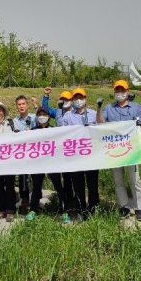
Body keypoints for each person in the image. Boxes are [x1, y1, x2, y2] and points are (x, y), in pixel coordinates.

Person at [96, 80, 141, 222]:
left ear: (128, 91)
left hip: (131, 149)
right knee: (118, 181)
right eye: (117, 91)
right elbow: (100, 123)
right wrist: (98, 108)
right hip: (114, 150)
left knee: (135, 181)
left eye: (122, 90)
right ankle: (124, 206)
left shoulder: (135, 107)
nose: (120, 93)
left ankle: (139, 208)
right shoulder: (109, 108)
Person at [62, 88, 99, 220]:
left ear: (85, 98)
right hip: (75, 156)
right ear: (72, 100)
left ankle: (93, 209)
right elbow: (63, 133)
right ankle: (80, 210)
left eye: (81, 97)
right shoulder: (68, 116)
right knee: (78, 185)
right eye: (76, 98)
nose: (79, 100)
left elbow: (101, 131)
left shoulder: (94, 114)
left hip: (91, 155)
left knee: (92, 184)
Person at [28, 107, 69, 220]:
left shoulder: (54, 130)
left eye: (44, 114)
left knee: (58, 186)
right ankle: (33, 210)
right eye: (39, 114)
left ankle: (64, 211)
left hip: (52, 163)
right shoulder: (32, 131)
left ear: (49, 116)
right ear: (37, 117)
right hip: (38, 164)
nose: (42, 116)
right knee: (36, 187)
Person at [12, 95, 37, 209]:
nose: (21, 106)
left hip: (34, 151)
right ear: (16, 107)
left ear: (27, 105)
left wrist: (35, 105)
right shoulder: (14, 121)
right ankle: (24, 198)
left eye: (23, 104)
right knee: (22, 176)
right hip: (21, 152)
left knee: (35, 176)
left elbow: (43, 117)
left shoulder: (34, 117)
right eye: (19, 104)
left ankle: (36, 198)